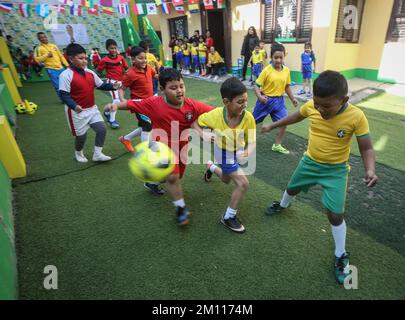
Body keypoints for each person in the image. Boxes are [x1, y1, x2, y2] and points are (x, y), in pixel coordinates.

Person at [261, 70, 378, 285]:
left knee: (335, 214)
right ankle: (283, 205)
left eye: (327, 106)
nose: (320, 109)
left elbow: (367, 148)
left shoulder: (356, 116)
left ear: (344, 100)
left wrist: (370, 169)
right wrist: (273, 125)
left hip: (336, 171)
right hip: (309, 163)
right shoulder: (313, 107)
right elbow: (296, 116)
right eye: (317, 103)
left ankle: (340, 254)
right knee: (291, 188)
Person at [104, 68, 214, 225]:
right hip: (159, 146)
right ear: (162, 89)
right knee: (173, 177)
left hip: (181, 146)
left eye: (181, 86)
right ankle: (181, 209)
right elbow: (132, 104)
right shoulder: (153, 103)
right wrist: (116, 106)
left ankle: (152, 182)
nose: (179, 91)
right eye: (173, 88)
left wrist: (208, 129)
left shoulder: (192, 106)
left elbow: (215, 113)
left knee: (176, 176)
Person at [192, 77, 256, 234]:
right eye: (240, 102)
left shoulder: (248, 118)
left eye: (246, 100)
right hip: (222, 152)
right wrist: (203, 134)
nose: (244, 105)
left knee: (226, 180)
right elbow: (194, 123)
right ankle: (228, 217)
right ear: (226, 102)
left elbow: (252, 141)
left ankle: (211, 167)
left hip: (236, 152)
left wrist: (247, 152)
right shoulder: (214, 115)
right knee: (243, 184)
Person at [59, 43, 121, 163]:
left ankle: (97, 154)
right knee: (81, 137)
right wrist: (74, 106)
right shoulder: (65, 75)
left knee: (102, 129)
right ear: (71, 59)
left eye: (85, 58)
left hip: (92, 109)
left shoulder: (90, 73)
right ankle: (78, 153)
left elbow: (101, 85)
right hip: (76, 112)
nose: (84, 61)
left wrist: (113, 86)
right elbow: (64, 95)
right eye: (80, 58)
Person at [253, 43, 298, 155]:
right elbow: (256, 85)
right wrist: (260, 96)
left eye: (280, 57)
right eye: (275, 57)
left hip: (279, 102)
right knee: (252, 122)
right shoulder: (267, 70)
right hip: (265, 101)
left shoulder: (286, 70)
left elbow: (286, 86)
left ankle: (277, 145)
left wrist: (293, 99)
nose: (278, 60)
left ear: (284, 57)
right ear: (271, 57)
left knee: (284, 122)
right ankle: (240, 139)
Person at [117, 46, 158, 153]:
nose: (144, 60)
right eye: (140, 58)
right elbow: (122, 88)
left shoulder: (148, 68)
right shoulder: (130, 74)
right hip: (138, 105)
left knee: (146, 125)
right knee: (147, 126)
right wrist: (122, 99)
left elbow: (155, 75)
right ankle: (146, 152)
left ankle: (125, 139)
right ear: (133, 59)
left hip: (150, 103)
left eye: (145, 58)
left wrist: (166, 80)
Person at [97, 39, 128, 129]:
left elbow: (127, 69)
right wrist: (97, 82)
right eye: (111, 48)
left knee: (118, 100)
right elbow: (97, 71)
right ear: (107, 49)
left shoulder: (121, 58)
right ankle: (112, 120)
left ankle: (107, 113)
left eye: (115, 48)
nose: (114, 50)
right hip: (112, 83)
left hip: (121, 82)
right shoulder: (105, 60)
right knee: (117, 100)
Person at [35, 32, 69, 101]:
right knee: (57, 86)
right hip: (51, 69)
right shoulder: (39, 48)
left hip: (61, 68)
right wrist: (46, 55)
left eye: (45, 37)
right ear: (39, 39)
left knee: (66, 84)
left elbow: (61, 56)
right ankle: (63, 99)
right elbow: (37, 59)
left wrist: (67, 65)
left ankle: (69, 97)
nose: (44, 38)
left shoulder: (53, 46)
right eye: (41, 37)